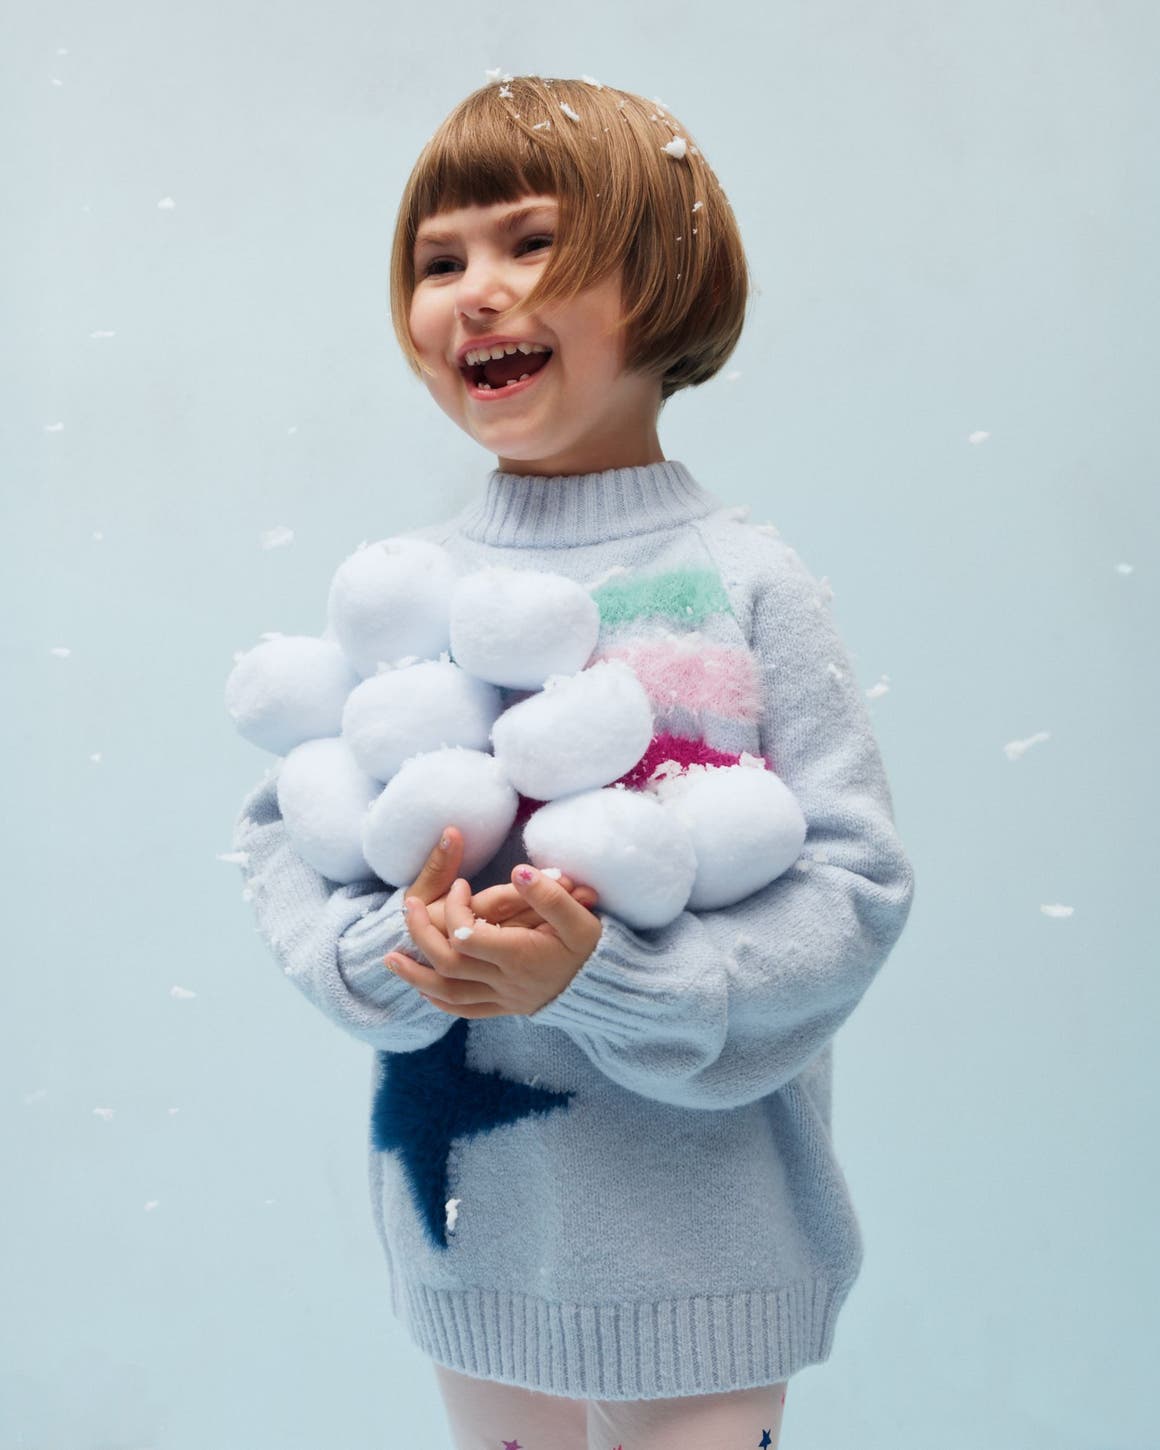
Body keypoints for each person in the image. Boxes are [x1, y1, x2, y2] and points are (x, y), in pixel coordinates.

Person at [231, 74, 915, 1450]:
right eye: (439, 261)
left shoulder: (744, 579)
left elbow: (852, 887)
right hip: (472, 1237)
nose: (474, 290)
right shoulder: (403, 595)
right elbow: (287, 837)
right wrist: (392, 952)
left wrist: (609, 977)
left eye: (528, 242)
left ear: (662, 279)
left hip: (706, 1243)